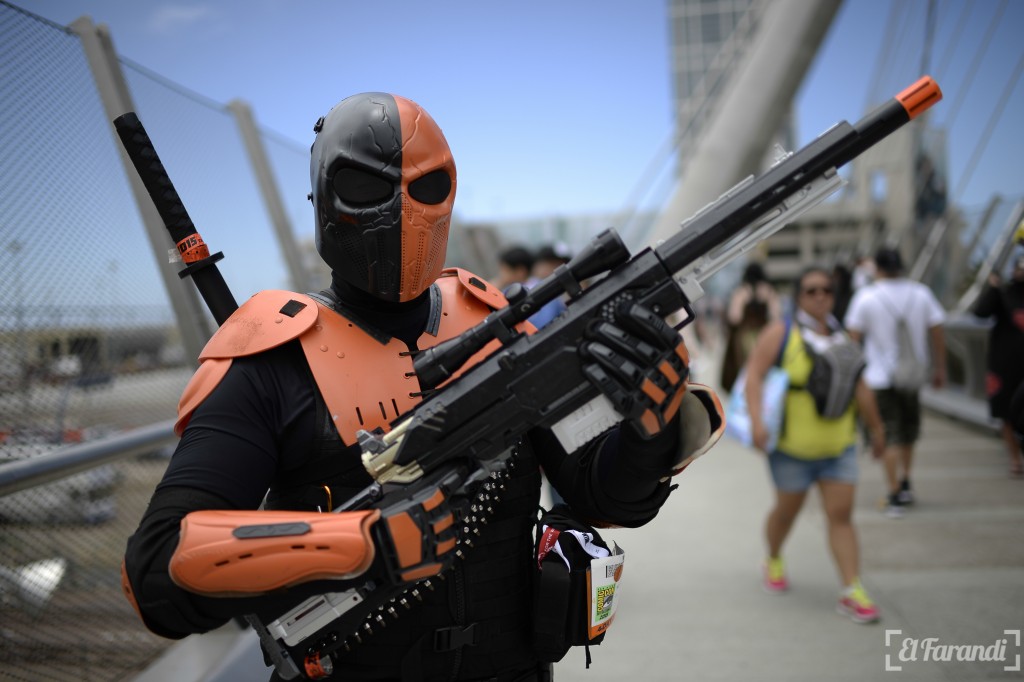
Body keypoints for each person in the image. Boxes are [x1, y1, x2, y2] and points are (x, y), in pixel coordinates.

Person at [120, 92, 722, 681]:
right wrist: (361, 545)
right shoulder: (272, 359)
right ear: (324, 197)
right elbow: (157, 572)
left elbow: (597, 496)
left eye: (424, 187)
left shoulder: (494, 330)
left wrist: (650, 432)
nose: (399, 212)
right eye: (367, 187)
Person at [745, 266, 886, 624]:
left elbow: (860, 385)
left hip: (838, 447)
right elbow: (754, 376)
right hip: (791, 449)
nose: (820, 296)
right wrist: (758, 422)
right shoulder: (782, 332)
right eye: (811, 290)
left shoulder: (845, 338)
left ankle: (852, 589)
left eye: (826, 289)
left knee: (840, 517)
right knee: (786, 512)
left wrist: (877, 428)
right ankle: (773, 557)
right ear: (799, 296)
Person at [843, 247, 946, 518]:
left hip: (877, 377)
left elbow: (852, 339)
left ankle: (893, 493)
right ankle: (906, 480)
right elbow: (937, 333)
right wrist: (940, 368)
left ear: (876, 267)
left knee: (889, 434)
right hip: (913, 375)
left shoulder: (866, 296)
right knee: (909, 431)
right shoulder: (921, 293)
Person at [972, 255, 1024, 478]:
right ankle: (1014, 458)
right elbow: (980, 312)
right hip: (1004, 364)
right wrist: (993, 288)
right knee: (1005, 410)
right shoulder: (1004, 292)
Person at [720, 262, 781, 392]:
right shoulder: (768, 291)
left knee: (746, 371)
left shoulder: (742, 291)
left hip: (745, 337)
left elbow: (734, 318)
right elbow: (776, 318)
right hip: (764, 335)